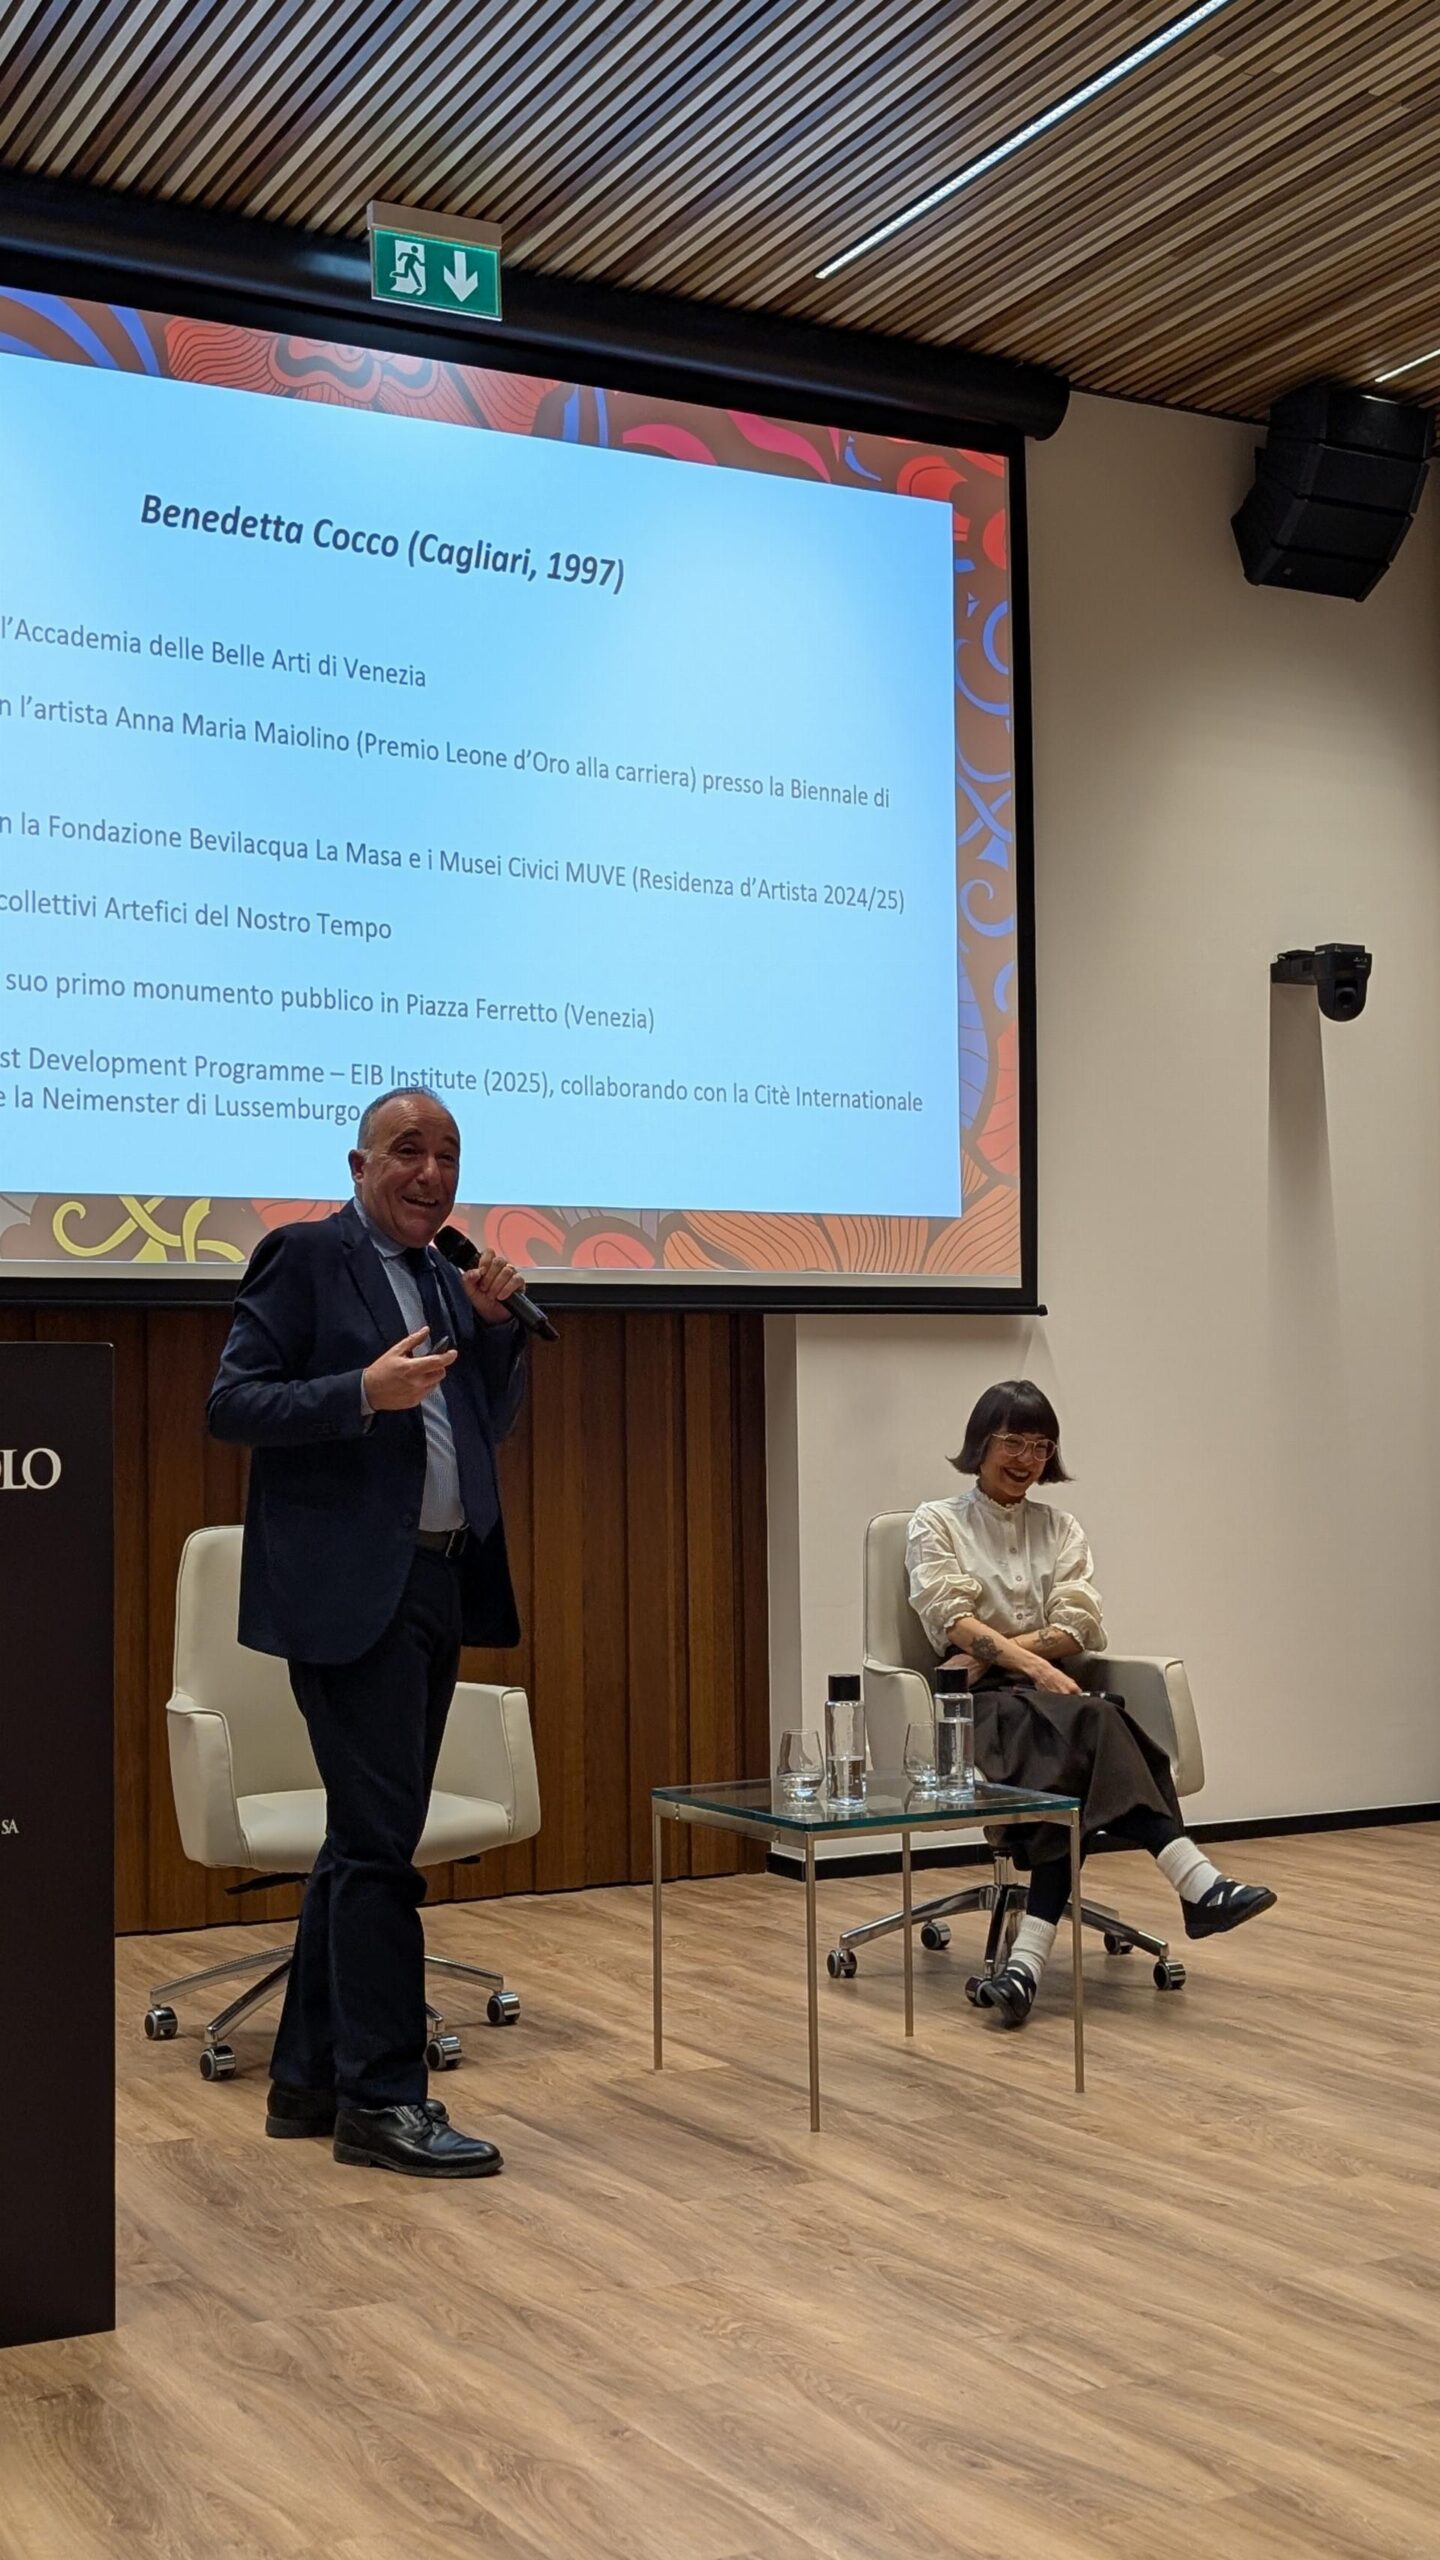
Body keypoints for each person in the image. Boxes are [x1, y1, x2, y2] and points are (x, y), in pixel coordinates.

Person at [208, 1087, 528, 2176]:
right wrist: (360, 1390)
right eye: (407, 1151)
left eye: (448, 1155)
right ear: (358, 1164)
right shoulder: (304, 1257)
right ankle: (385, 2100)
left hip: (440, 1578)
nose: (431, 1173)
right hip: (350, 1595)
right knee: (382, 1851)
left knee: (360, 1840)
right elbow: (232, 1403)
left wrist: (495, 1337)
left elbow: (481, 1423)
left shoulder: (443, 1275)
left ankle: (307, 2083)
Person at [906, 1379, 1275, 2028]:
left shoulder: (1062, 1528)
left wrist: (1000, 1652)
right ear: (981, 1443)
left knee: (1075, 1758)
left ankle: (1023, 1971)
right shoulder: (935, 1522)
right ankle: (1196, 1883)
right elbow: (950, 1621)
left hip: (1053, 1699)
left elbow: (1079, 1628)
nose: (1026, 1459)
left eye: (1041, 1446)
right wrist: (1030, 1661)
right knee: (1098, 1722)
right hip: (974, 1710)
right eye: (1013, 1442)